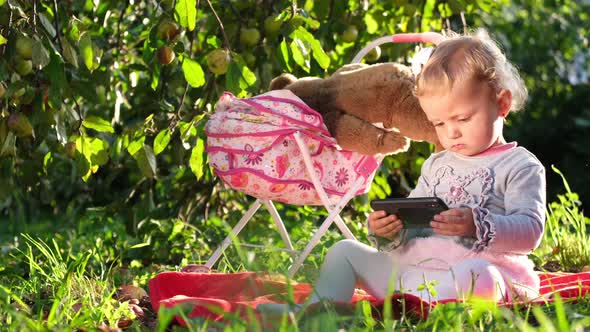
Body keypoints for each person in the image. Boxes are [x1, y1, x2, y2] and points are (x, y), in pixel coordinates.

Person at [257, 28, 546, 314]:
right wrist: (389, 230)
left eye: (463, 118)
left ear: (502, 103)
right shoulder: (437, 164)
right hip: (413, 273)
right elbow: (415, 219)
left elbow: (531, 232)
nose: (452, 133)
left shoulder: (519, 165)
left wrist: (477, 224)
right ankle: (315, 311)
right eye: (439, 124)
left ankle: (401, 310)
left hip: (467, 275)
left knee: (480, 275)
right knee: (344, 251)